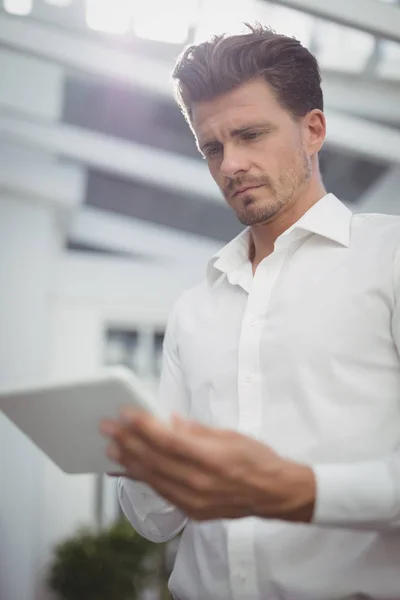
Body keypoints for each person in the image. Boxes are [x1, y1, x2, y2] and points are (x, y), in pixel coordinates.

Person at [100, 24, 400, 600]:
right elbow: (157, 523)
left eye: (250, 135)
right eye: (212, 147)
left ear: (313, 129)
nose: (230, 164)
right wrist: (144, 463)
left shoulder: (388, 259)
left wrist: (295, 489)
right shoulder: (194, 310)